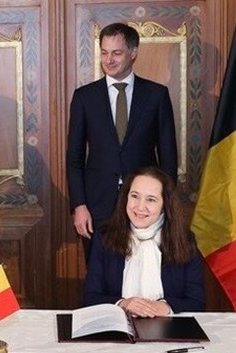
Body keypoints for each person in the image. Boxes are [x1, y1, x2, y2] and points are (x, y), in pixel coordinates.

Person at [66, 22, 178, 262]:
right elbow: (74, 157)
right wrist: (79, 205)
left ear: (133, 52)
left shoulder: (156, 95)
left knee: (143, 276)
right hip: (97, 206)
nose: (109, 59)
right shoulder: (84, 97)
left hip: (144, 206)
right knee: (100, 277)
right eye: (104, 52)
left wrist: (165, 204)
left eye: (116, 53)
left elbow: (168, 155)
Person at [82, 166, 205, 316]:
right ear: (125, 198)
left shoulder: (185, 241)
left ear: (164, 206)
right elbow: (90, 298)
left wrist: (165, 307)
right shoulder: (104, 237)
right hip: (118, 331)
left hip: (168, 331)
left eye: (151, 200)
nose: (140, 207)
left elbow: (197, 302)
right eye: (134, 196)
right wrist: (123, 304)